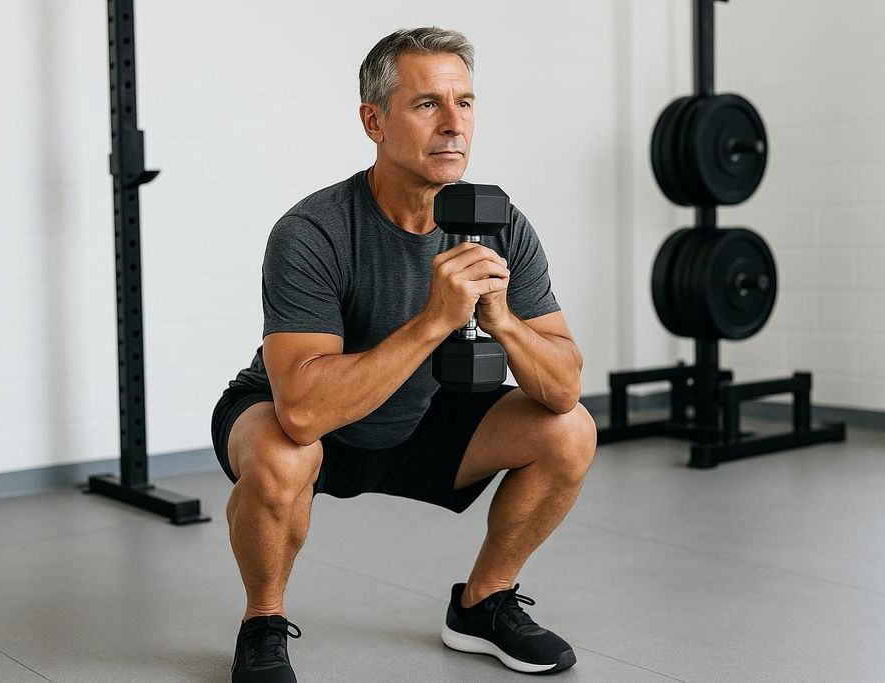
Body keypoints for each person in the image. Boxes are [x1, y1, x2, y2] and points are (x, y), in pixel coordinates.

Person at [210, 26, 597, 682]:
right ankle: (263, 621)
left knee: (570, 430)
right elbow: (301, 410)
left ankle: (483, 602)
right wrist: (433, 320)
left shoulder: (500, 225)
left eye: (465, 103)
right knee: (281, 452)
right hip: (309, 415)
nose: (454, 124)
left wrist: (501, 320)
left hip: (423, 415)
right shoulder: (314, 230)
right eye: (427, 105)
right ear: (374, 120)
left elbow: (562, 385)